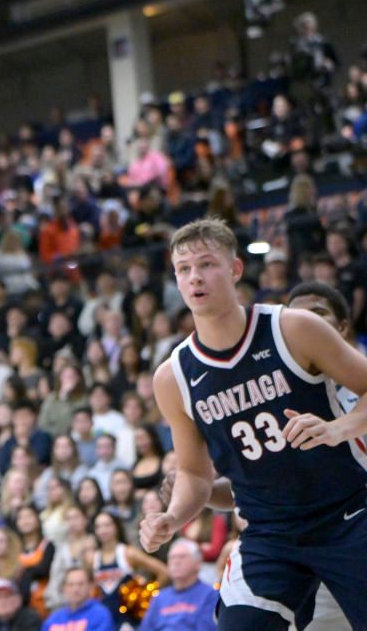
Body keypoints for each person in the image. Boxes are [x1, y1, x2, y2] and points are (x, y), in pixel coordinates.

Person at [141, 217, 367, 630]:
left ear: (235, 269)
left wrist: (340, 427)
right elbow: (193, 472)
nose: (196, 277)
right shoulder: (173, 377)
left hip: (348, 515)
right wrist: (173, 517)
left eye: (207, 264)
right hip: (270, 535)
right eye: (184, 269)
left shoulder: (293, 328)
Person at [140, 540, 218, 631]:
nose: (176, 562)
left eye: (182, 557)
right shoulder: (160, 597)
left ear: (198, 563)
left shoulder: (210, 595)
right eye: (172, 558)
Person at [41, 567, 113, 631]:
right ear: (64, 588)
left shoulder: (100, 614)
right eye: (71, 584)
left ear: (90, 586)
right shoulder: (53, 619)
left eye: (80, 584)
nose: (75, 589)